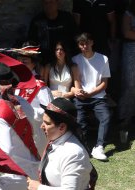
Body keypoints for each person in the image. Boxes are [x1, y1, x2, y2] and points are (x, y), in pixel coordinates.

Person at [72, 33, 111, 161]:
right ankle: (84, 147)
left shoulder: (103, 59)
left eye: (87, 43)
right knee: (79, 120)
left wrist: (91, 93)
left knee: (105, 117)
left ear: (92, 42)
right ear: (78, 46)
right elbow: (76, 80)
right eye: (81, 44)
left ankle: (99, 146)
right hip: (82, 96)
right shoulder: (75, 59)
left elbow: (104, 83)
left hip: (98, 96)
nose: (85, 46)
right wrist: (79, 91)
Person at [28, 0, 77, 64]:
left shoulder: (67, 17)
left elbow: (76, 36)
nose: (49, 5)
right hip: (45, 60)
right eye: (46, 3)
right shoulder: (37, 20)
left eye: (51, 2)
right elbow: (32, 41)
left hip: (65, 57)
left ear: (57, 3)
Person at [15, 43, 54, 124]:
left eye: (25, 62)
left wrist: (27, 111)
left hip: (36, 129)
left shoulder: (40, 86)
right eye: (18, 61)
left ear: (34, 64)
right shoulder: (15, 84)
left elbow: (49, 111)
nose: (20, 65)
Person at [118, 0, 135, 145]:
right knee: (130, 84)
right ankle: (125, 119)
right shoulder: (128, 13)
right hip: (131, 50)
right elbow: (127, 32)